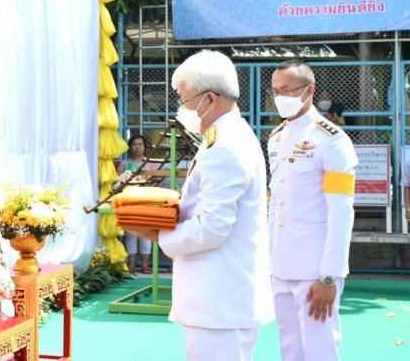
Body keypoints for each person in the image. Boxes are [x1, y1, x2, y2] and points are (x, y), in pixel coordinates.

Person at [122, 50, 273, 361]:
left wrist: (156, 234)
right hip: (221, 299)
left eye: (184, 99)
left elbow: (212, 227)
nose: (181, 108)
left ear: (209, 99)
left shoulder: (226, 146)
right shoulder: (223, 137)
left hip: (220, 302)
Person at [268, 60, 357, 361]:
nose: (281, 97)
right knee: (290, 347)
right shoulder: (277, 138)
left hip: (315, 269)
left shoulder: (331, 140)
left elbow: (341, 211)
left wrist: (330, 275)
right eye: (276, 91)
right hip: (280, 264)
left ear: (309, 91)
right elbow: (275, 205)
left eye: (288, 90)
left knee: (320, 348)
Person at [115, 134, 153, 273]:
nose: (137, 147)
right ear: (130, 147)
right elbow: (118, 183)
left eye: (140, 144)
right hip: (129, 202)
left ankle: (145, 265)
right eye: (135, 144)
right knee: (130, 234)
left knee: (145, 234)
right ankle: (131, 264)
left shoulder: (150, 164)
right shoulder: (124, 164)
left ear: (144, 147)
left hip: (146, 202)